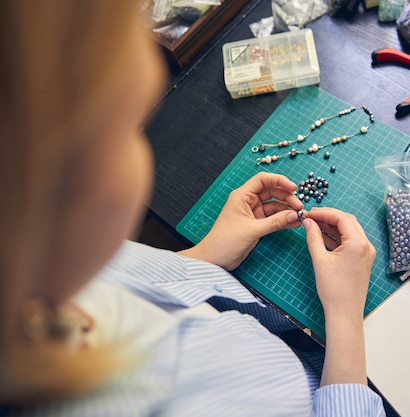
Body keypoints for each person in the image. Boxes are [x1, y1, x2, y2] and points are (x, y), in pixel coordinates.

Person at [0, 1, 386, 415]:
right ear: (48, 191)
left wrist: (204, 258)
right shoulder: (175, 397)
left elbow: (130, 278)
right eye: (128, 127)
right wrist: (345, 318)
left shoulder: (32, 285)